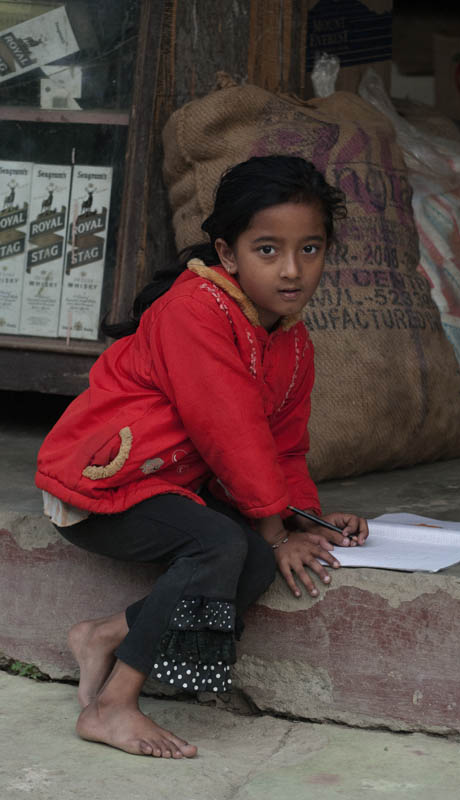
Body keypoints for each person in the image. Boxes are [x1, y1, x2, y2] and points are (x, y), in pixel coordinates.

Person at [35, 154, 369, 760]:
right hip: (101, 488)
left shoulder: (290, 340)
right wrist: (271, 526)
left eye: (311, 249)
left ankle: (106, 634)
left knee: (258, 562)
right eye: (268, 250)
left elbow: (284, 447)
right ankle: (112, 708)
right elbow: (231, 434)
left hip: (167, 490)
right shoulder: (195, 311)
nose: (293, 270)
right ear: (228, 251)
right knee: (223, 544)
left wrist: (305, 519)